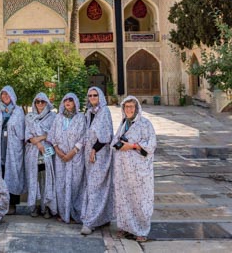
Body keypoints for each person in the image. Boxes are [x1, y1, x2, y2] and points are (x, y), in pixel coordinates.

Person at [111, 95, 157, 242]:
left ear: (136, 108)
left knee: (140, 199)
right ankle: (126, 228)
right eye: (126, 107)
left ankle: (141, 231)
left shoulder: (145, 124)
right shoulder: (123, 124)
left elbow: (151, 145)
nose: (129, 109)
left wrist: (132, 146)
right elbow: (115, 142)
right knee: (125, 198)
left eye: (132, 107)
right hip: (123, 170)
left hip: (139, 172)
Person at [47, 92, 86, 224]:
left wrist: (73, 152)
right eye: (65, 100)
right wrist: (58, 150)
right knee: (61, 184)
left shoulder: (81, 118)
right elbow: (52, 136)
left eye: (71, 100)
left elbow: (84, 137)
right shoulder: (58, 117)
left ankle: (74, 213)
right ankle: (63, 213)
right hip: (60, 157)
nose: (68, 102)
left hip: (75, 157)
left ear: (75, 102)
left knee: (75, 184)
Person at [0, 86, 26, 215]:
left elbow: (22, 130)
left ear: (12, 95)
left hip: (13, 147)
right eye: (3, 94)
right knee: (0, 172)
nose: (5, 96)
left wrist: (12, 132)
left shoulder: (18, 111)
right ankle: (0, 202)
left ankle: (12, 204)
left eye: (7, 94)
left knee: (13, 173)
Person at [80, 86, 114, 235]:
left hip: (100, 154)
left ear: (100, 96)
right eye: (90, 95)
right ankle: (103, 217)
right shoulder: (89, 112)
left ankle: (90, 222)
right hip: (90, 155)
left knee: (96, 186)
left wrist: (94, 149)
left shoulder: (104, 112)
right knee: (93, 186)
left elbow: (106, 135)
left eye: (95, 95)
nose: (92, 98)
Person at [24, 92, 57, 218]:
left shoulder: (53, 117)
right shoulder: (29, 117)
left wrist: (42, 138)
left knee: (47, 178)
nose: (40, 104)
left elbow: (53, 134)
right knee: (34, 179)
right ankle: (35, 205)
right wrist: (39, 143)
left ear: (47, 103)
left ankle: (47, 206)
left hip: (48, 152)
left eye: (42, 101)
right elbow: (28, 136)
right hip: (33, 153)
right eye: (37, 102)